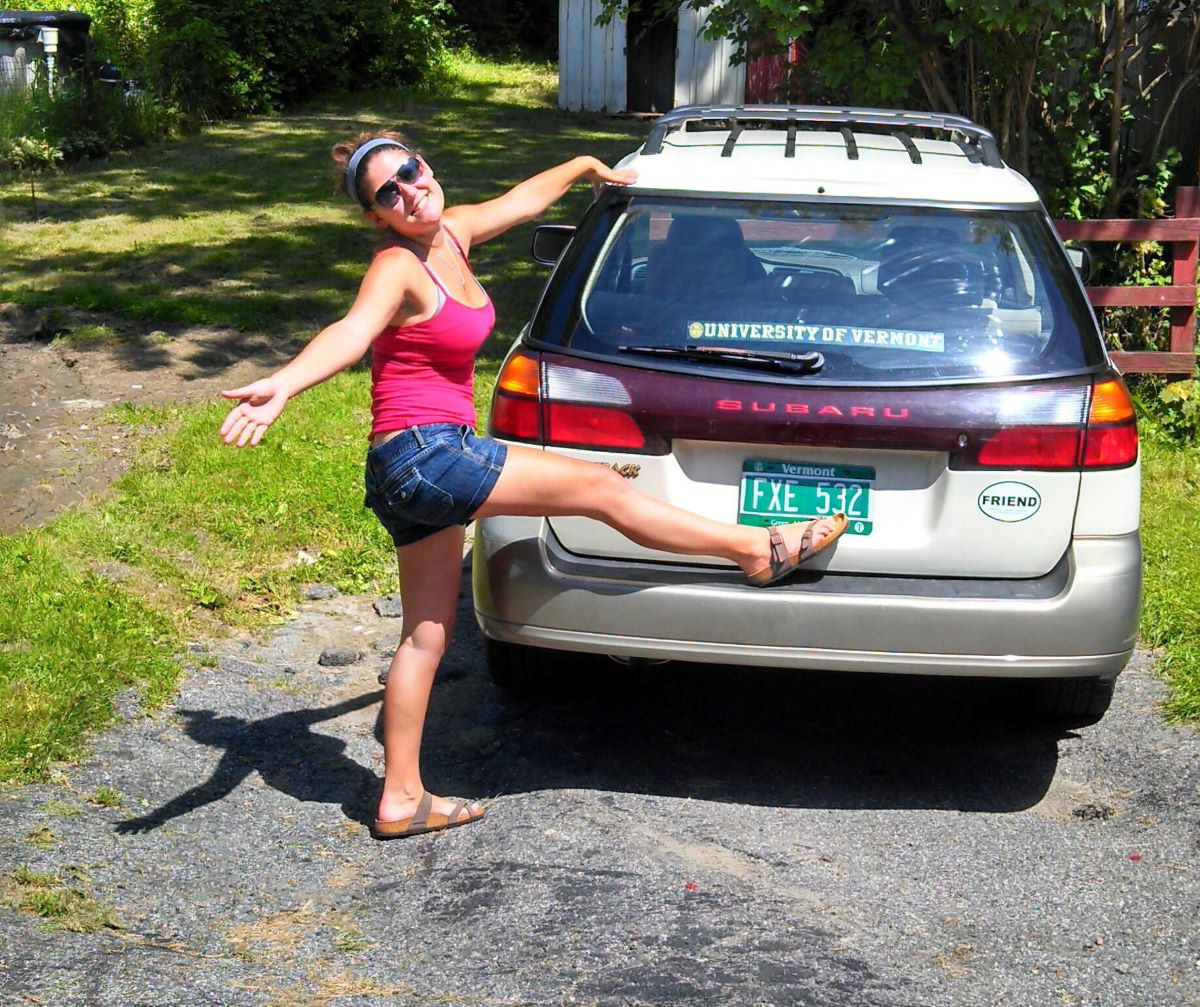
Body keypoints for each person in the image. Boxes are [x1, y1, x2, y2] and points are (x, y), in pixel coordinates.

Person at [218, 131, 848, 840]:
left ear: (426, 166)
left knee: (426, 636)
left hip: (405, 464)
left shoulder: (451, 235)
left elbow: (520, 203)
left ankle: (399, 798)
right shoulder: (397, 265)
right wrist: (284, 384)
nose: (409, 190)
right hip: (427, 452)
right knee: (601, 487)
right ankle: (752, 549)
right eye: (387, 194)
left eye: (411, 171)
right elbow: (351, 331)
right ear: (378, 217)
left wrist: (584, 165)